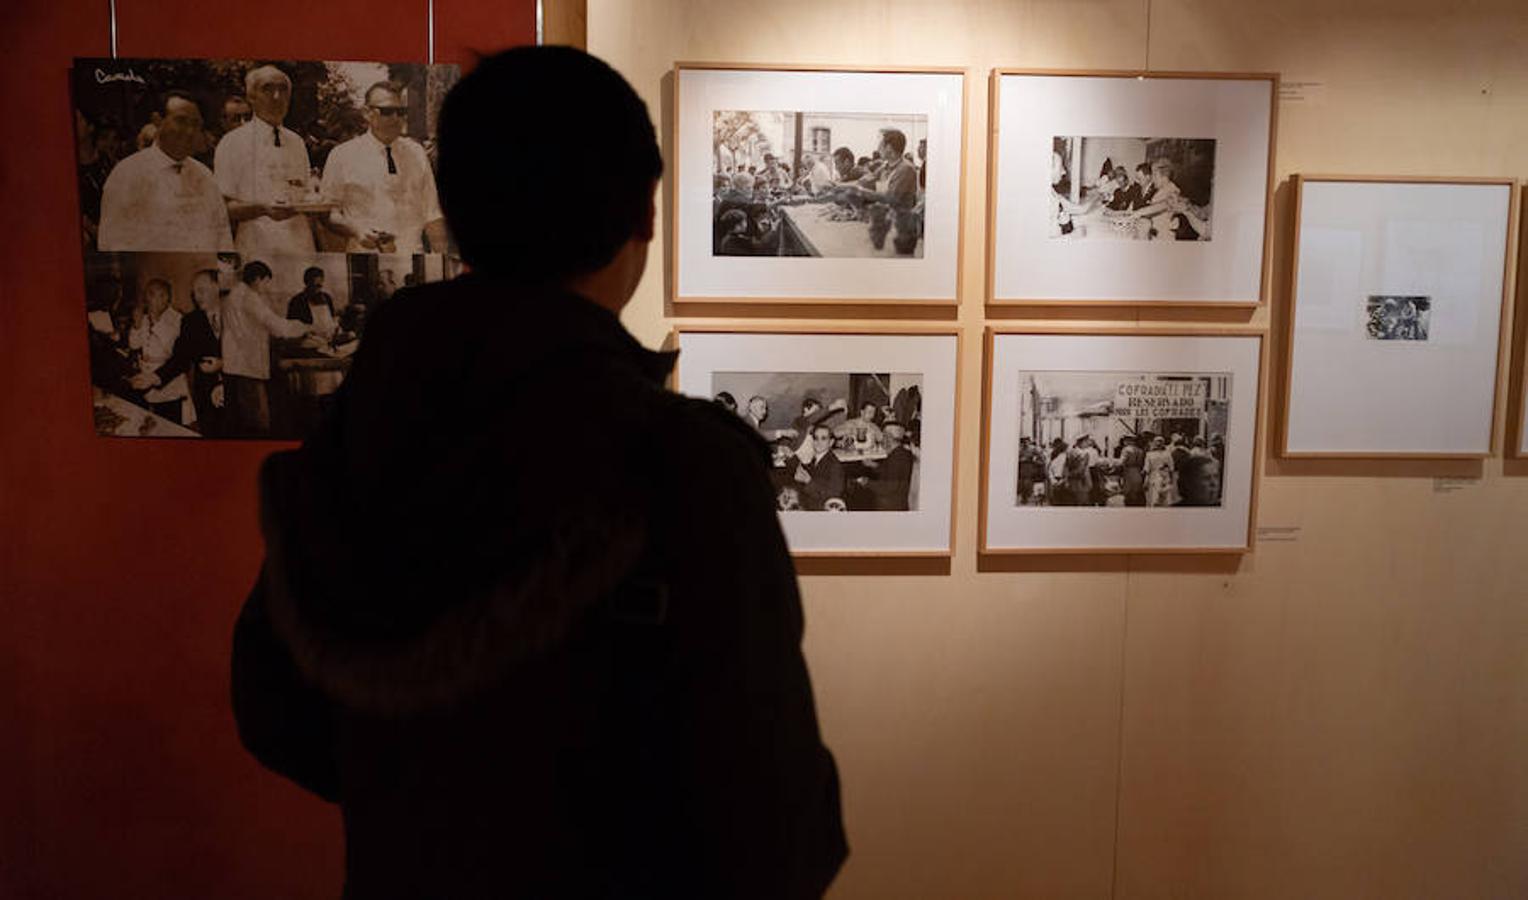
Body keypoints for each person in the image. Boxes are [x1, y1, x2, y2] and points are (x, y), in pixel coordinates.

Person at [231, 46, 846, 899]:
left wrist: (431, 793)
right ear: (646, 216)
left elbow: (274, 712)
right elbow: (774, 825)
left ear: (454, 209)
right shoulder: (679, 463)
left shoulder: (363, 431)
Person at [321, 81, 448, 254]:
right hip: (365, 259)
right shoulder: (342, 155)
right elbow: (329, 214)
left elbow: (432, 215)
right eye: (387, 112)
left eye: (401, 112)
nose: (396, 118)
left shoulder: (417, 153)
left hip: (412, 259)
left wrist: (442, 261)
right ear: (367, 113)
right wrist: (356, 229)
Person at [97, 91, 233, 252]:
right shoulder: (128, 174)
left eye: (196, 124)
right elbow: (113, 242)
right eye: (181, 121)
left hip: (205, 274)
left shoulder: (205, 176)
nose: (189, 131)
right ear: (158, 121)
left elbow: (222, 236)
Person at [215, 65, 317, 257]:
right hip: (256, 249)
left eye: (283, 90)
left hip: (301, 248)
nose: (277, 97)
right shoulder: (231, 143)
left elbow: (304, 195)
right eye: (267, 89)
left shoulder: (297, 142)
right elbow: (223, 208)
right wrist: (263, 208)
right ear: (251, 97)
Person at [221, 260, 312, 436]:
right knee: (258, 419)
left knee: (246, 415)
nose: (266, 287)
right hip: (248, 364)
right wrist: (305, 326)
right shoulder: (249, 297)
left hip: (239, 364)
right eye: (265, 282)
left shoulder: (235, 294)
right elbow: (277, 326)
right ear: (257, 279)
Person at [131, 269, 227, 435]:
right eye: (194, 292)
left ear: (217, 287)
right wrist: (154, 377)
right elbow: (181, 358)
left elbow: (255, 354)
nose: (197, 296)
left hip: (237, 390)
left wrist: (224, 364)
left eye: (201, 290)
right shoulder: (191, 321)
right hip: (206, 394)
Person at [794, 424, 846, 511]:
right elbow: (807, 470)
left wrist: (808, 482)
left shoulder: (835, 465)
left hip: (821, 508)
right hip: (811, 503)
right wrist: (791, 458)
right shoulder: (817, 458)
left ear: (831, 442)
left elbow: (834, 494)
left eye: (823, 438)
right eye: (815, 438)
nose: (818, 442)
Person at [864, 423, 915, 511]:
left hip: (890, 505)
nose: (882, 439)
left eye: (884, 436)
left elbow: (889, 488)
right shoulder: (902, 453)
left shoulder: (896, 458)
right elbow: (888, 471)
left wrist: (866, 482)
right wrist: (872, 465)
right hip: (898, 499)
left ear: (889, 438)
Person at [285, 266, 338, 339]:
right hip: (309, 341)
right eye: (314, 286)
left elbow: (333, 319)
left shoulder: (327, 298)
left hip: (329, 338)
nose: (317, 290)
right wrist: (305, 333)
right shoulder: (297, 301)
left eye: (319, 286)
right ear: (307, 283)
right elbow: (291, 326)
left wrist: (334, 328)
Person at [1144, 435, 1178, 507]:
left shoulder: (1167, 454)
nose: (1158, 444)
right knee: (1154, 498)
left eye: (1160, 442)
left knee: (1165, 498)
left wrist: (1172, 480)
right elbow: (1147, 468)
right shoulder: (1149, 454)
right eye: (1157, 442)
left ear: (1163, 443)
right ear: (1154, 443)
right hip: (1154, 476)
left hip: (1165, 477)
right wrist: (1146, 480)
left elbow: (1171, 467)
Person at [1119, 435, 1146, 507]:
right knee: (1137, 489)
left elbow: (1121, 462)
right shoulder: (1140, 450)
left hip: (1129, 471)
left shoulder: (1126, 449)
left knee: (1129, 490)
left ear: (1128, 441)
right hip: (1138, 470)